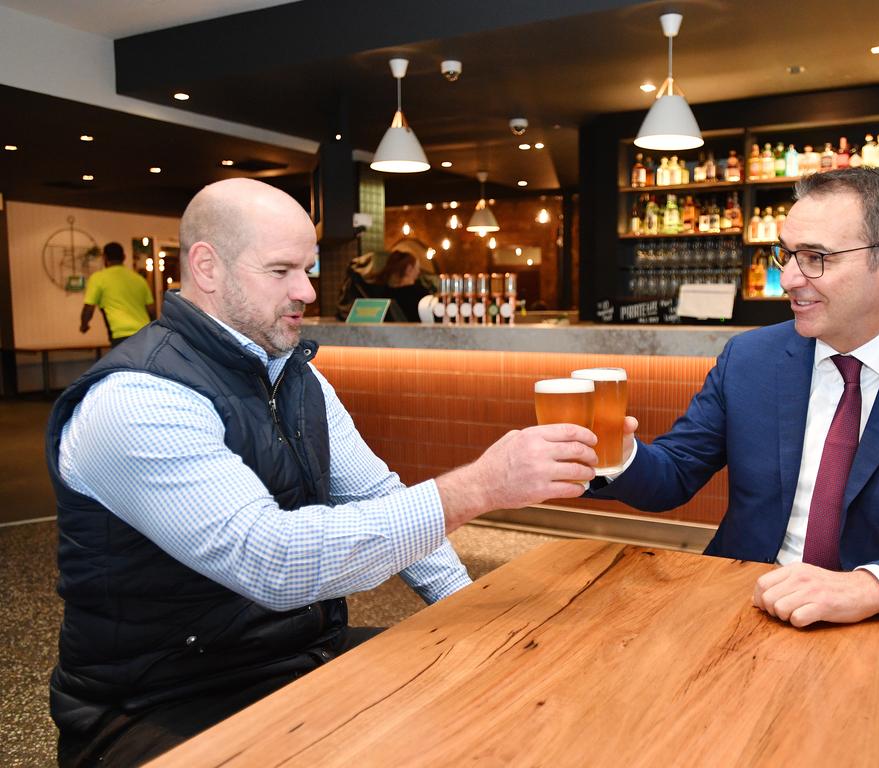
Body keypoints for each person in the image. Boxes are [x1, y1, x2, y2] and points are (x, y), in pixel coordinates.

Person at [47, 178, 598, 766]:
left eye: (307, 269)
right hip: (161, 702)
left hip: (300, 659)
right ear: (207, 267)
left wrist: (463, 608)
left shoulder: (293, 375)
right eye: (282, 270)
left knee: (510, 707)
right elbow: (272, 561)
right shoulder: (136, 398)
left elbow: (377, 492)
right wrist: (482, 486)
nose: (307, 291)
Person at [592, 167, 879, 635]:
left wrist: (870, 588)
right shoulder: (749, 359)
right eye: (787, 254)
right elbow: (673, 475)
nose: (790, 278)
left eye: (816, 257)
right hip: (739, 604)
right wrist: (614, 450)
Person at [79, 242, 155, 345]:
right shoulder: (139, 279)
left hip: (121, 334)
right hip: (145, 333)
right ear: (124, 257)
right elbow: (151, 310)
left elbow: (89, 308)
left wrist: (84, 325)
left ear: (104, 257)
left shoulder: (98, 278)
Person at [367, 249, 430, 322]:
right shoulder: (420, 294)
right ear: (408, 269)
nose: (419, 272)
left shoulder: (381, 293)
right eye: (417, 268)